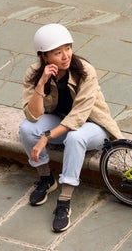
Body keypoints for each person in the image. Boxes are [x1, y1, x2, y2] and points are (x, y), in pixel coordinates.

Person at [19, 23, 123, 232]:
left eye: (68, 48)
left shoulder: (85, 71)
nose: (65, 55)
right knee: (26, 129)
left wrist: (46, 137)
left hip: (93, 127)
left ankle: (65, 201)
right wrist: (41, 85)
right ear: (45, 56)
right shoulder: (34, 73)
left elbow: (78, 118)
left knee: (75, 137)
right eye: (58, 52)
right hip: (60, 123)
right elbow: (32, 115)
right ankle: (46, 178)